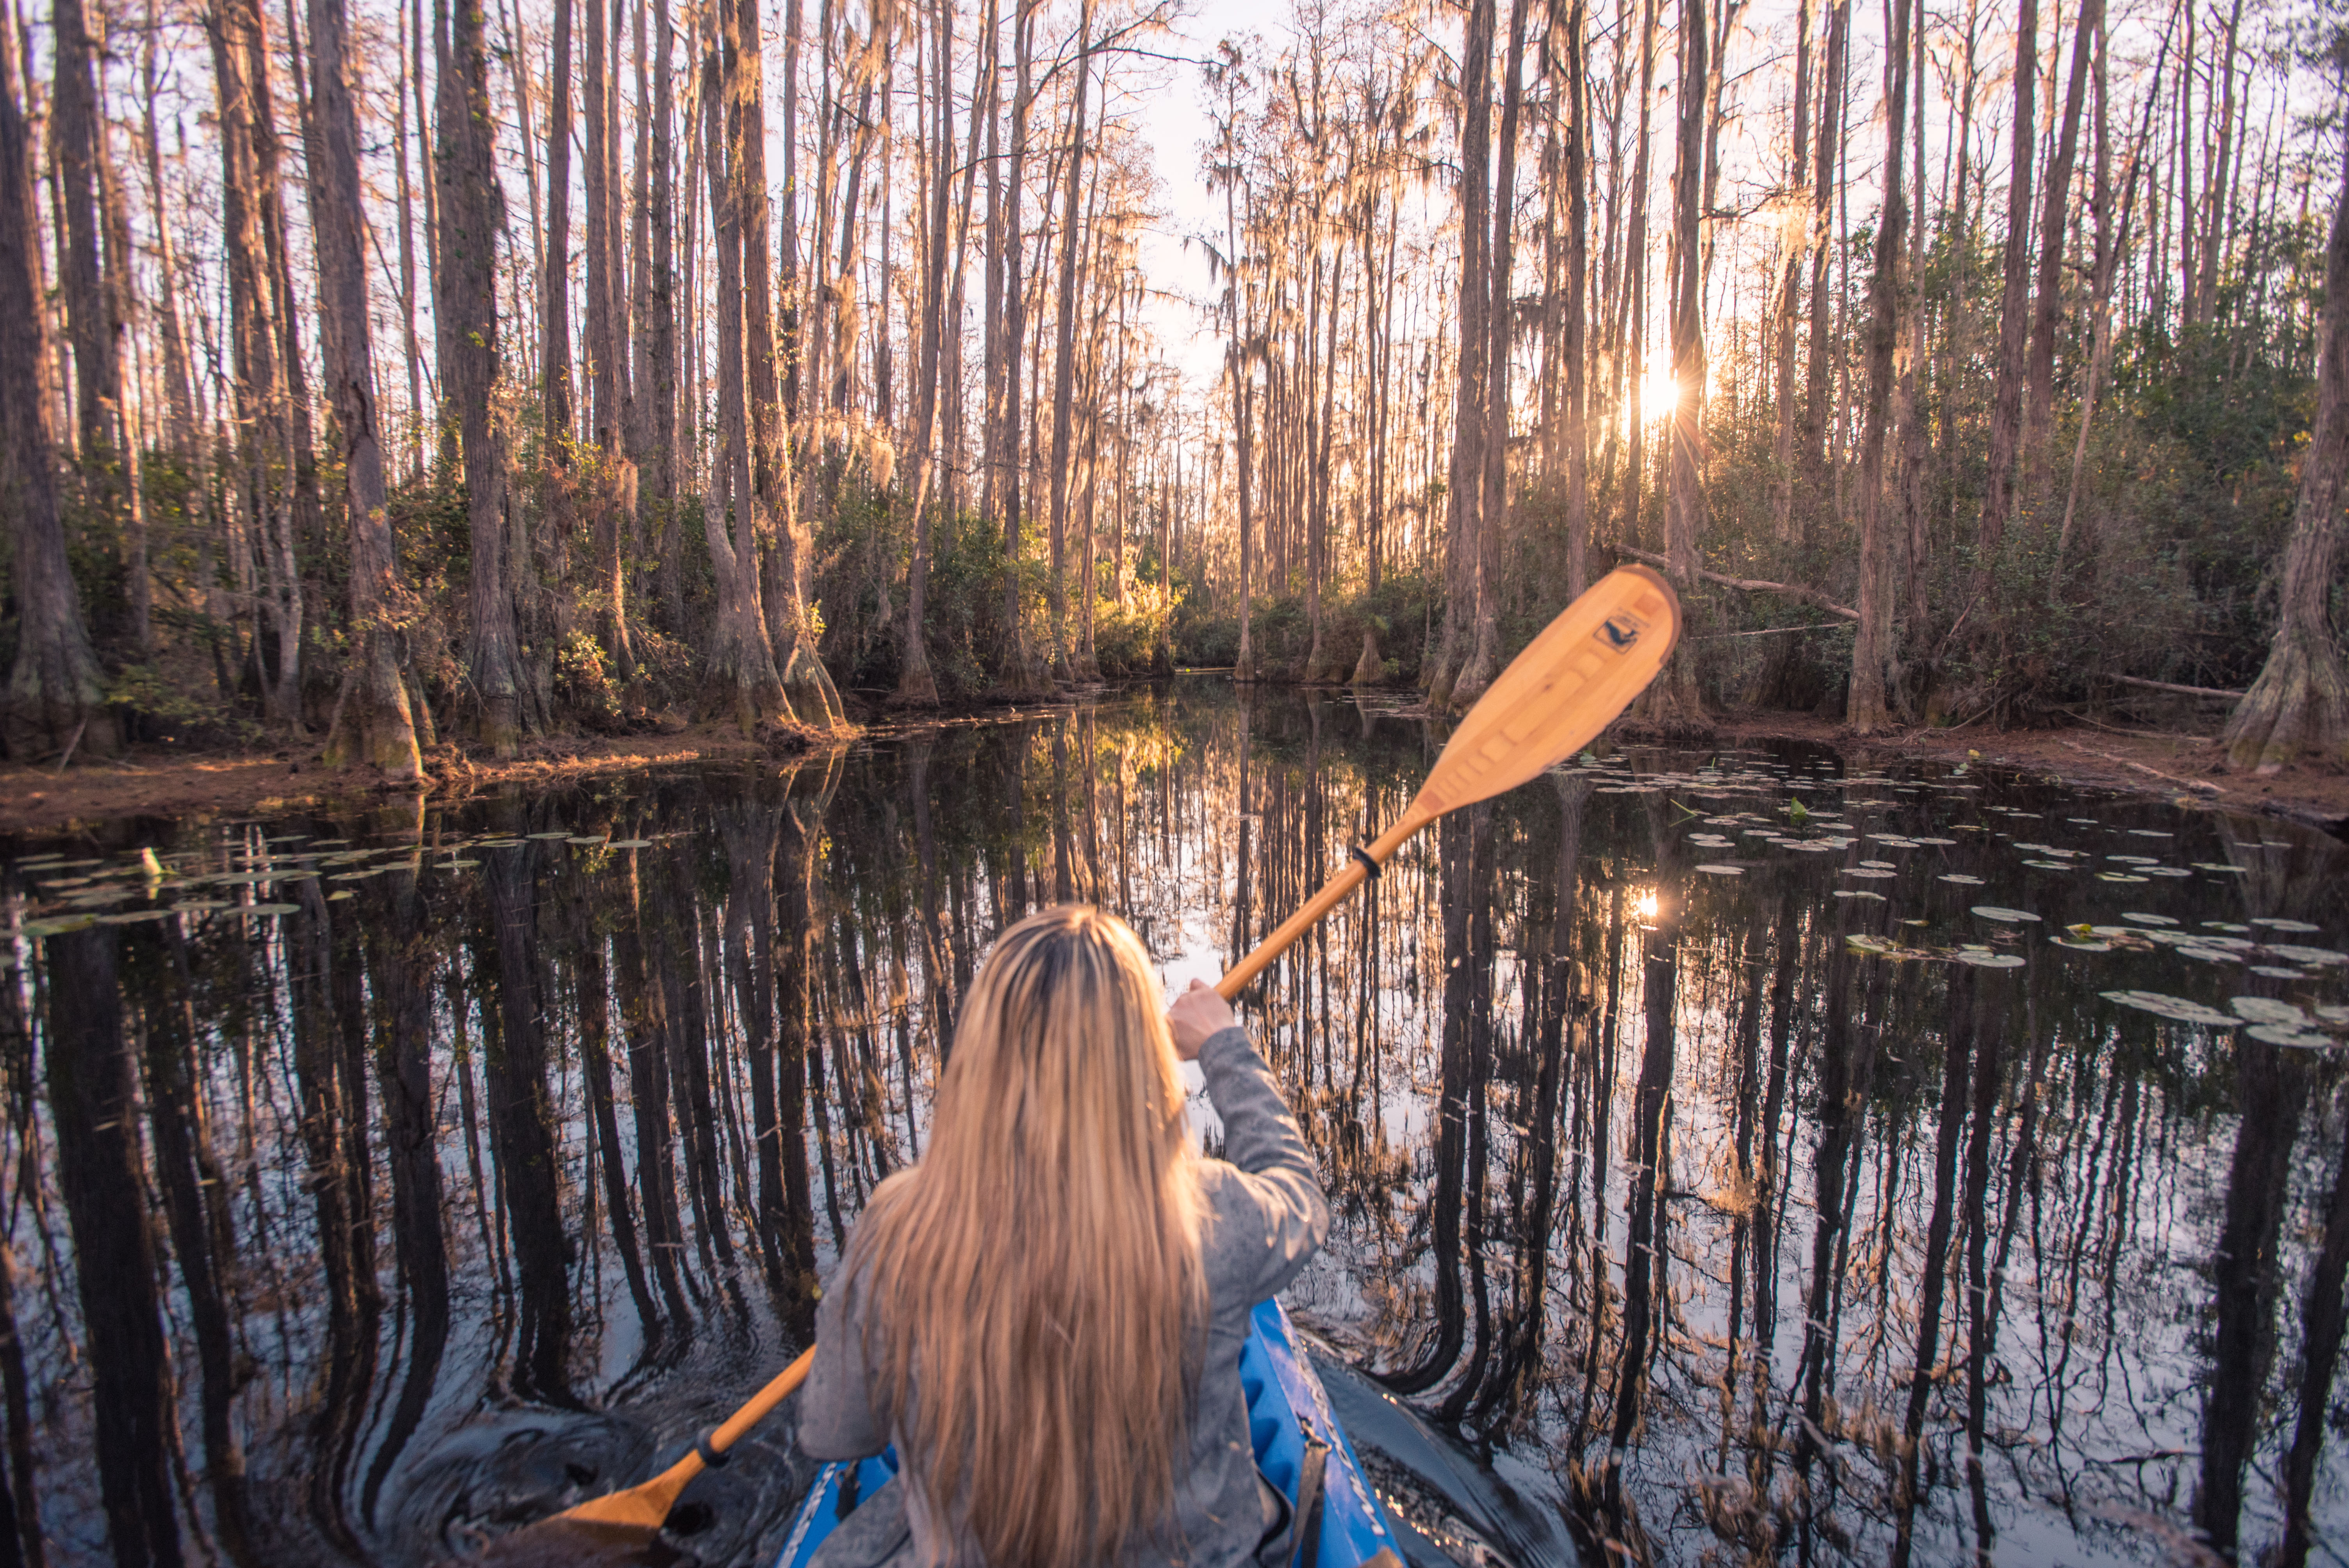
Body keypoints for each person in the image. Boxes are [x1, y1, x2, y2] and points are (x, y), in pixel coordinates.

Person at [798, 905, 1329, 1568]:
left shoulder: (899, 1229)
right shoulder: (1210, 1219)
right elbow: (1300, 1199)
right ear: (1140, 1056)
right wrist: (1225, 1046)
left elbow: (835, 1433)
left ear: (980, 1055)